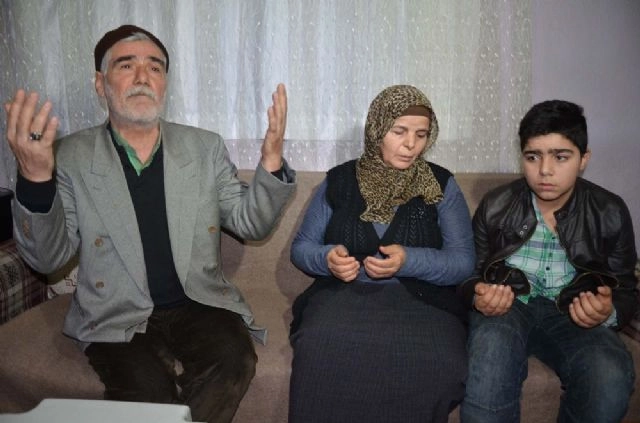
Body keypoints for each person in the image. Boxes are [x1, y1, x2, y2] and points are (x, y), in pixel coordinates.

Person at [4, 25, 295, 423]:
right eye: (127, 65)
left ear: (165, 84)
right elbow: (47, 258)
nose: (143, 76)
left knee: (234, 363)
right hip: (115, 311)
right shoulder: (69, 155)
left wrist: (272, 162)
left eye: (155, 67)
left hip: (198, 302)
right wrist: (36, 179)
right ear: (100, 83)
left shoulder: (204, 147)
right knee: (147, 395)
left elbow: (252, 224)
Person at [288, 84, 475, 422]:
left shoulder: (442, 184)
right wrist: (327, 259)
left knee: (441, 362)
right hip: (342, 298)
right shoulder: (340, 181)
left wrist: (409, 261)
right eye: (399, 131)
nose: (411, 144)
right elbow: (302, 249)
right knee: (318, 347)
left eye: (421, 134)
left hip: (424, 303)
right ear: (377, 129)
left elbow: (463, 262)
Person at [458, 100, 638, 423]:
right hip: (509, 307)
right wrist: (478, 295)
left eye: (560, 157)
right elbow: (468, 273)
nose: (544, 170)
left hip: (572, 311)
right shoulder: (495, 205)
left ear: (584, 159)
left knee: (609, 377)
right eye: (533, 157)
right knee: (488, 371)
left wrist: (607, 311)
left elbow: (625, 286)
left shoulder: (610, 210)